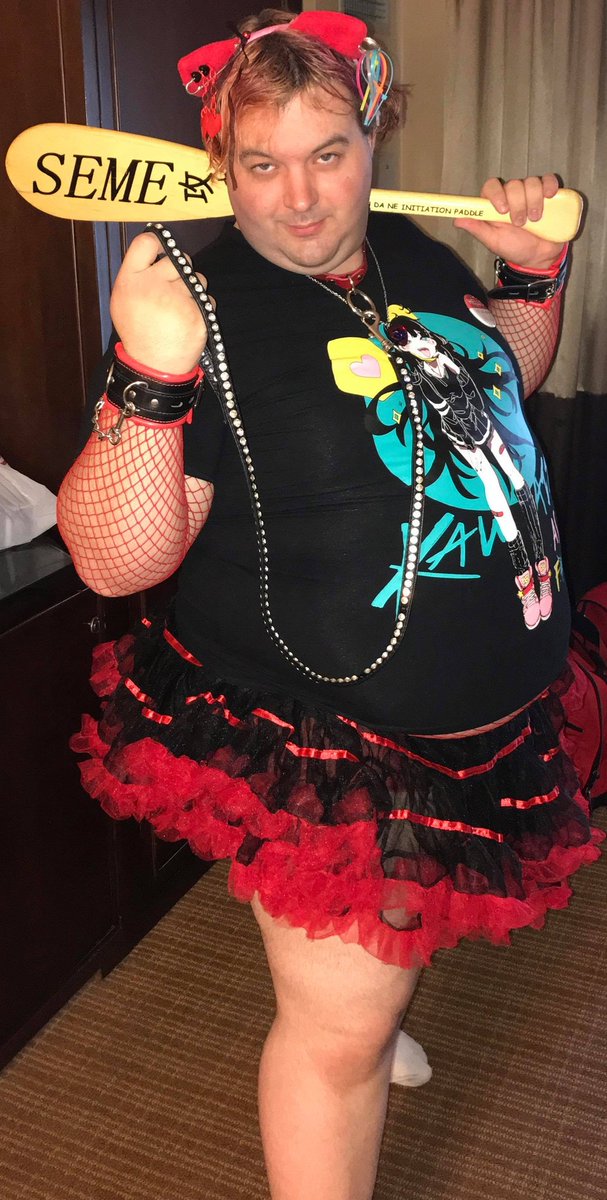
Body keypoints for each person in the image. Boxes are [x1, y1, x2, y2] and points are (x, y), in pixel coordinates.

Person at [57, 9, 604, 1200]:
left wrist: (529, 274)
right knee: (335, 1039)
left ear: (373, 136)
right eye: (261, 163)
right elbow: (115, 560)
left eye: (328, 153)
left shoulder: (413, 252)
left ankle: (364, 1008)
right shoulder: (198, 298)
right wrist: (149, 370)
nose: (299, 200)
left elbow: (503, 379)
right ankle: (350, 1036)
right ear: (219, 161)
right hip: (336, 734)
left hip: (486, 708)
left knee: (375, 963)